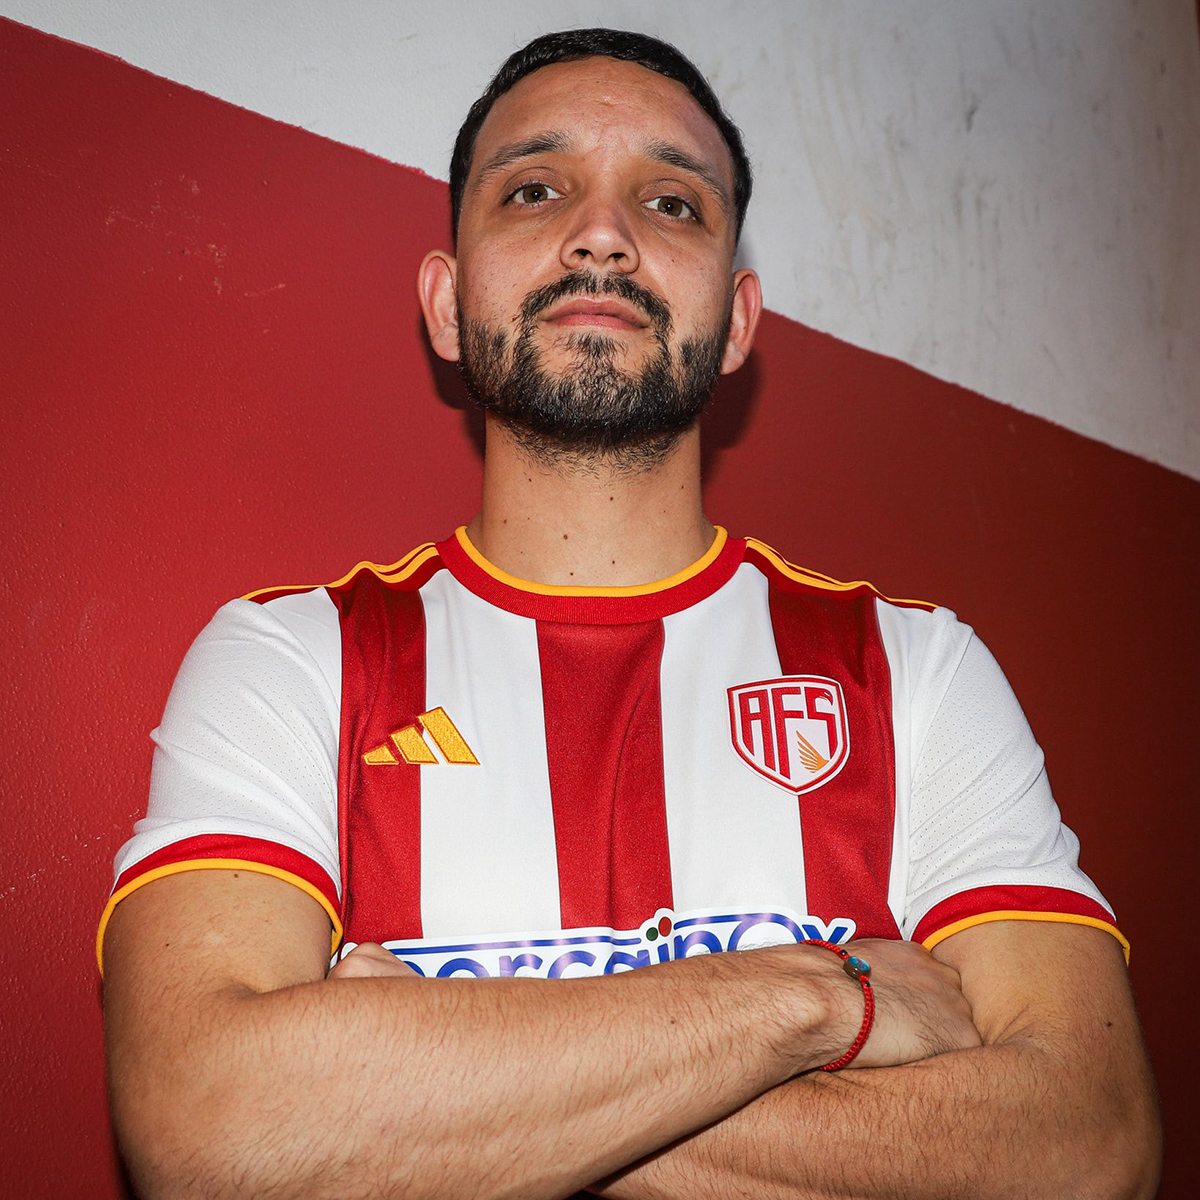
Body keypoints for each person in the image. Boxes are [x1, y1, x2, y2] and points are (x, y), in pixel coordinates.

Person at [100, 27, 1160, 1200]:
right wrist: (816, 1001)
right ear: (446, 306)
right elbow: (207, 1130)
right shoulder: (291, 658)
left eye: (670, 203)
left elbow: (1090, 1143)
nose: (602, 234)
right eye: (535, 190)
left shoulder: (917, 670)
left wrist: (427, 1084)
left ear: (739, 323)